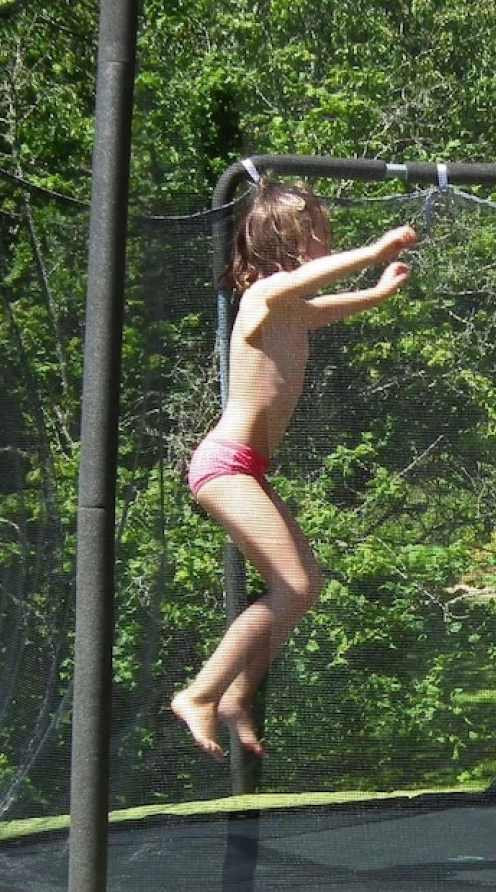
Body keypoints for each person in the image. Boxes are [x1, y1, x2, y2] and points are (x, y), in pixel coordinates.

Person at [172, 178, 419, 759]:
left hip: (246, 468)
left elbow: (326, 307)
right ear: (291, 241)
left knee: (306, 584)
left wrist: (377, 294)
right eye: (321, 236)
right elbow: (306, 284)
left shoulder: (289, 310)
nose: (327, 246)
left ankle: (237, 696)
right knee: (296, 585)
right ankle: (200, 694)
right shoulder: (262, 296)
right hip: (224, 465)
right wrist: (374, 253)